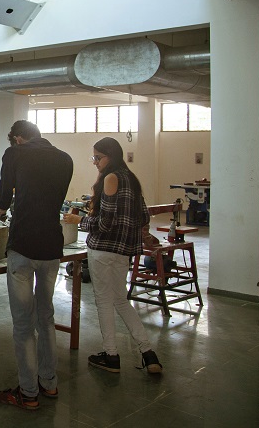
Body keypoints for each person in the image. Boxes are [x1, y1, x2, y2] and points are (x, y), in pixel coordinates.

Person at [63, 137, 163, 375]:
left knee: (104, 302)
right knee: (120, 300)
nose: (95, 162)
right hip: (123, 251)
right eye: (94, 158)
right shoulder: (132, 179)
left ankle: (111, 356)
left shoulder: (110, 178)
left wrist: (79, 220)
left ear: (111, 156)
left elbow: (105, 224)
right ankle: (149, 354)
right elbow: (144, 217)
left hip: (103, 249)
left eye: (98, 157)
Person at [0, 120, 74, 411]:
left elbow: (3, 198)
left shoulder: (15, 153)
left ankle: (28, 393)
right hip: (52, 246)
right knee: (46, 316)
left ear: (17, 138)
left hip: (24, 246)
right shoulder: (65, 159)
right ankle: (49, 382)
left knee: (23, 324)